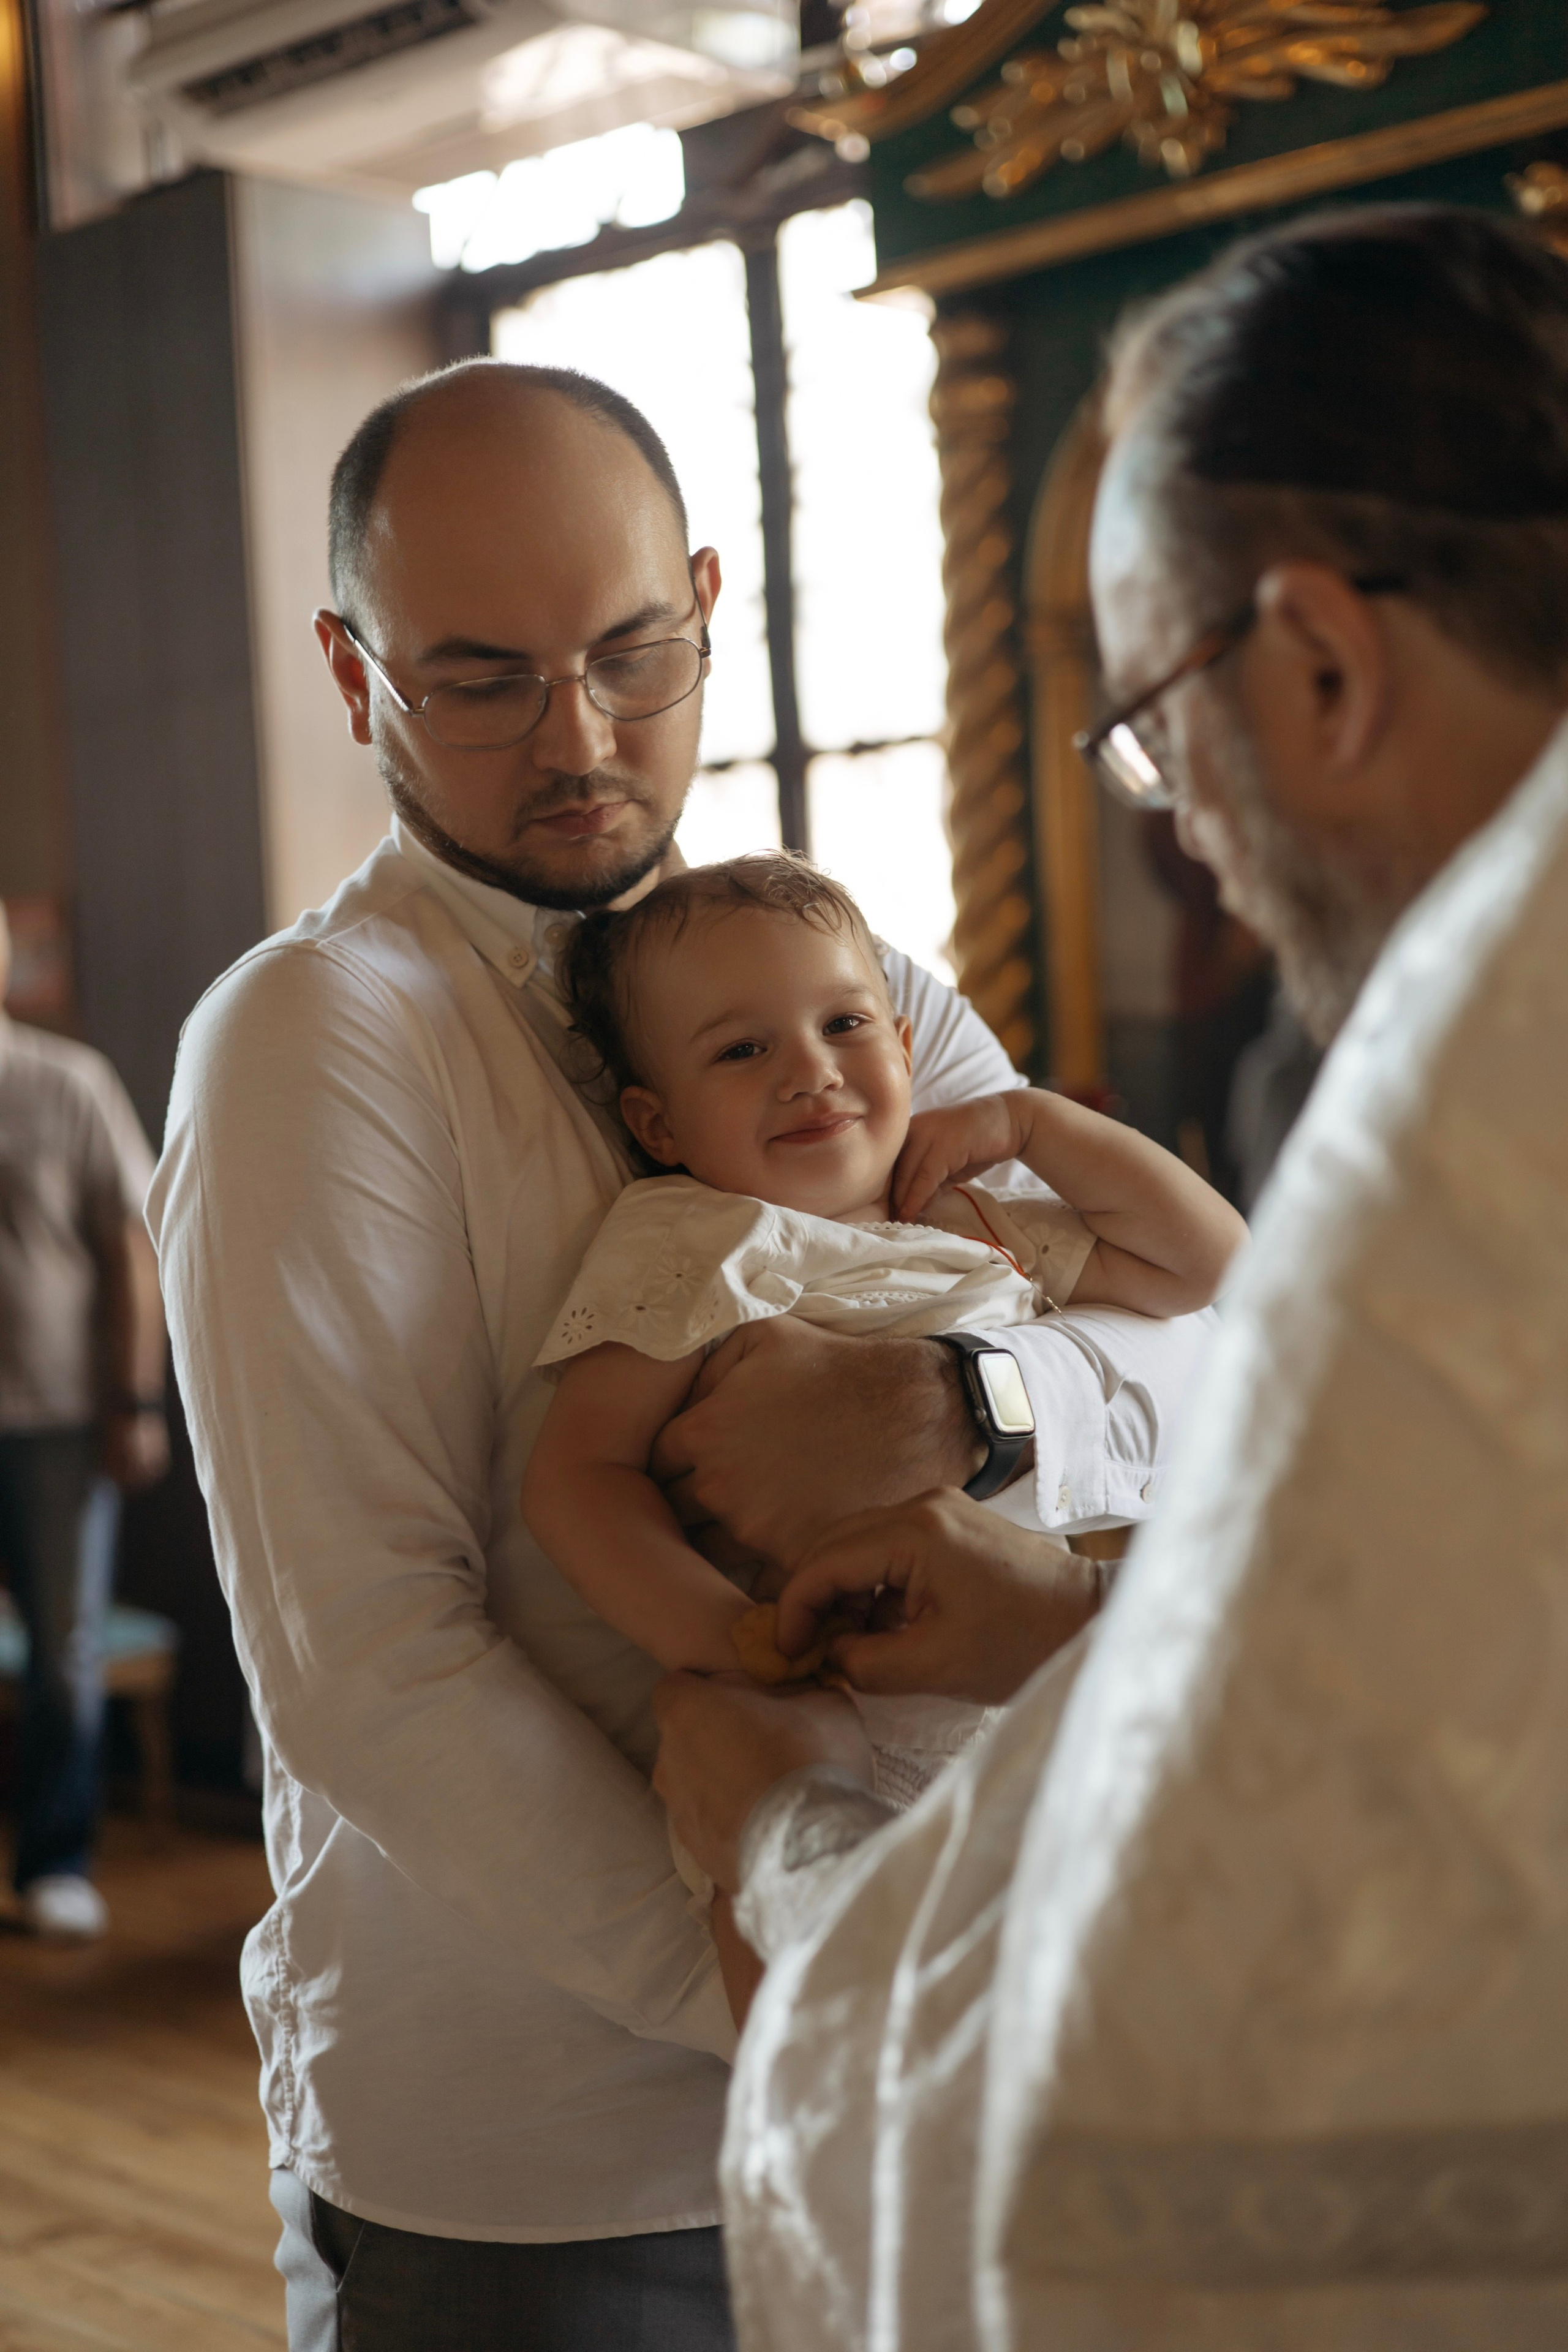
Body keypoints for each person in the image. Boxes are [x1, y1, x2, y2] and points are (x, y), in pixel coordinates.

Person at [147, 360, 1218, 2350]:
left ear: (713, 600)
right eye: (478, 678)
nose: (580, 738)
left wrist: (982, 1403)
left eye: (634, 652)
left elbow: (1207, 1363)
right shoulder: (312, 1041)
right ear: (348, 663)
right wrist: (820, 1985)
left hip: (948, 2037)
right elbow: (370, 1669)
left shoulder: (840, 978)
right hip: (560, 2165)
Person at [651, 203, 1568, 2349]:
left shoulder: (1482, 1088)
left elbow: (1160, 2130)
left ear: (1326, 662)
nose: (1187, 833)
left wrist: (777, 1851)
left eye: (1159, 722)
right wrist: (1087, 1611)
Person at [524, 848, 1239, 1753]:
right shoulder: (695, 1237)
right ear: (657, 1123)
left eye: (845, 1023)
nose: (811, 1071)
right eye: (743, 1049)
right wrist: (728, 1638)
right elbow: (579, 1478)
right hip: (832, 1716)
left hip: (1038, 1705)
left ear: (906, 1049)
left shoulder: (969, 1214)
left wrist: (1032, 1122)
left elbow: (1201, 1267)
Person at [0, 906, 168, 1939]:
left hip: (57, 1418)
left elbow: (132, 1251)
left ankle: (53, 1863)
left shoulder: (66, 1084)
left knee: (64, 1651)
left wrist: (136, 1402)